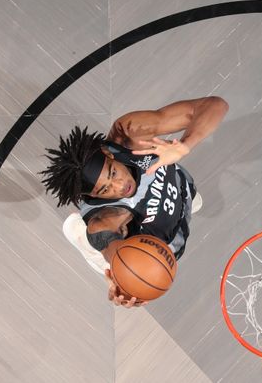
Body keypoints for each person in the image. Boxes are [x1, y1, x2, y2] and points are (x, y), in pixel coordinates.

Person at [40, 96, 228, 307]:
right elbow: (113, 248)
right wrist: (124, 281)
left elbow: (215, 105)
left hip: (183, 193)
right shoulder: (105, 220)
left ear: (107, 154)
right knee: (93, 243)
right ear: (94, 195)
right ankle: (82, 239)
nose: (119, 186)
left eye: (113, 173)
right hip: (156, 250)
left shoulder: (128, 134)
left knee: (196, 201)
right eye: (105, 189)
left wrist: (184, 145)